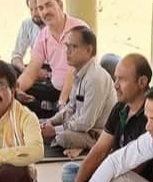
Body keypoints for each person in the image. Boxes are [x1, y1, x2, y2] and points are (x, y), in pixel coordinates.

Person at [62, 53, 153, 182]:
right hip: (110, 174)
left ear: (142, 82)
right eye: (115, 78)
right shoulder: (120, 108)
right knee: (69, 172)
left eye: (122, 80)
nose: (115, 85)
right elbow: (99, 150)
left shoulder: (151, 117)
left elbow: (132, 170)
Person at [40, 26, 115, 156]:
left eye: (73, 47)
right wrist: (51, 121)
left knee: (62, 138)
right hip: (79, 127)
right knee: (40, 125)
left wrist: (55, 130)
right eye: (67, 46)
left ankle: (83, 147)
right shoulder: (79, 73)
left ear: (89, 50)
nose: (67, 51)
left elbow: (86, 123)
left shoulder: (95, 79)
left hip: (96, 134)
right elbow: (71, 107)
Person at [16, 0, 88, 117]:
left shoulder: (79, 29)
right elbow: (31, 71)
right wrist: (16, 89)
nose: (45, 12)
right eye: (40, 8)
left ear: (60, 5)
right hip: (56, 90)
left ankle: (54, 114)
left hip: (79, 91)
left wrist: (62, 102)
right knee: (13, 95)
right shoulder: (43, 35)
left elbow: (73, 71)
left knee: (63, 113)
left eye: (48, 5)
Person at [11, 0, 43, 72]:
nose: (34, 13)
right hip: (34, 69)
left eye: (37, 9)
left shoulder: (54, 25)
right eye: (31, 9)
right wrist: (24, 69)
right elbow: (16, 55)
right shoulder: (27, 24)